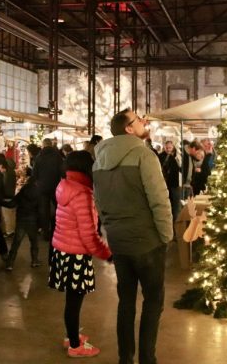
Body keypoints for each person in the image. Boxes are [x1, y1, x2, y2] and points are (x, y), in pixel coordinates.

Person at [93, 109, 173, 364]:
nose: (143, 122)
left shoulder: (99, 160)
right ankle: (147, 359)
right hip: (146, 241)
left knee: (126, 301)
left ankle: (125, 358)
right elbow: (159, 200)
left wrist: (111, 229)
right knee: (153, 301)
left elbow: (99, 201)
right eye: (138, 119)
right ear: (129, 128)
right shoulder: (143, 154)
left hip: (119, 241)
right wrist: (166, 236)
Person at [49, 151, 112, 358]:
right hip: (75, 255)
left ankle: (71, 335)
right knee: (74, 302)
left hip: (62, 250)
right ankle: (75, 345)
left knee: (71, 300)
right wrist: (107, 254)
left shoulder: (64, 186)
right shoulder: (83, 194)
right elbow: (89, 235)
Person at [4, 175, 41, 271]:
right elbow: (41, 210)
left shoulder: (22, 192)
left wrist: (0, 202)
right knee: (34, 242)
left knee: (16, 243)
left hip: (21, 220)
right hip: (32, 221)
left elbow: (11, 204)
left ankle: (10, 264)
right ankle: (35, 261)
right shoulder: (38, 194)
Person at [158, 141, 181, 221]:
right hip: (164, 183)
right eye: (167, 148)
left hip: (171, 184)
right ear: (164, 147)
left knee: (171, 202)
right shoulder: (160, 157)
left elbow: (178, 169)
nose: (168, 149)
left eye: (170, 148)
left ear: (172, 148)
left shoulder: (175, 157)